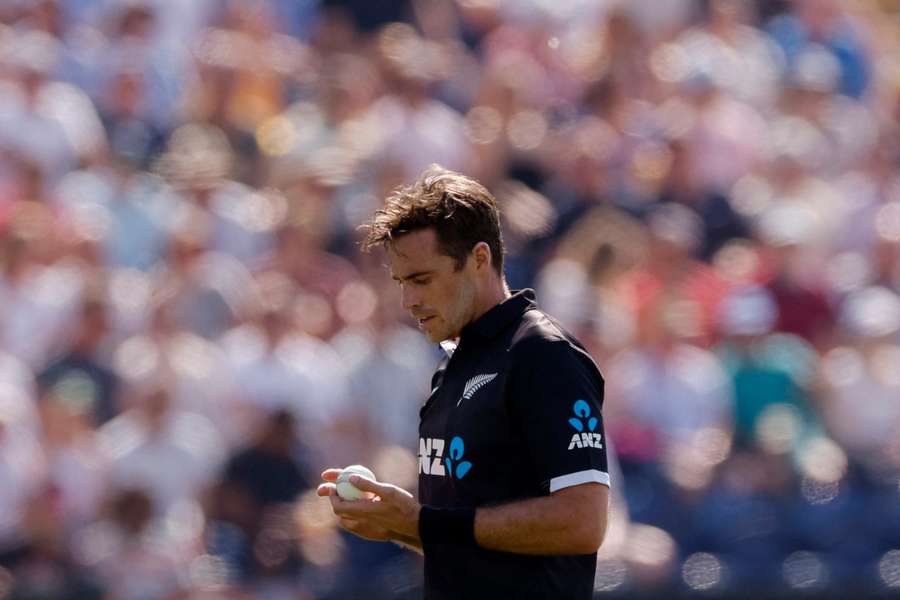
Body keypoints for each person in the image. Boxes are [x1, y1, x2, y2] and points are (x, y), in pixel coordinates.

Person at [317, 165, 610, 599]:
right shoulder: (450, 365)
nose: (408, 300)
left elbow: (584, 523)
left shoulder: (542, 355)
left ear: (478, 259)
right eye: (401, 282)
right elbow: (469, 538)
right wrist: (399, 526)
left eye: (421, 279)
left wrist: (420, 522)